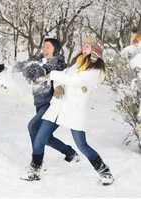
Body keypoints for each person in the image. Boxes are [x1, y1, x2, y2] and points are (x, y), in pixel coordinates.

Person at [22, 36, 114, 186]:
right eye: (84, 45)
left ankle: (105, 172)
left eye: (88, 47)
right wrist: (59, 85)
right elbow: (65, 75)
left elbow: (75, 81)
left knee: (82, 145)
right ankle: (34, 170)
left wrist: (53, 75)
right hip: (57, 106)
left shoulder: (95, 71)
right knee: (40, 137)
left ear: (95, 52)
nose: (84, 48)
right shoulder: (77, 63)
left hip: (74, 111)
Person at [21, 38, 79, 168]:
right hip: (39, 103)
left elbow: (65, 79)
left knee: (33, 127)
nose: (44, 49)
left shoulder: (60, 65)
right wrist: (1, 68)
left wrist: (60, 86)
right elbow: (25, 68)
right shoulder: (38, 62)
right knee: (45, 137)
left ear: (55, 49)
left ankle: (36, 162)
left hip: (52, 104)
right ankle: (70, 153)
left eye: (48, 47)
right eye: (44, 47)